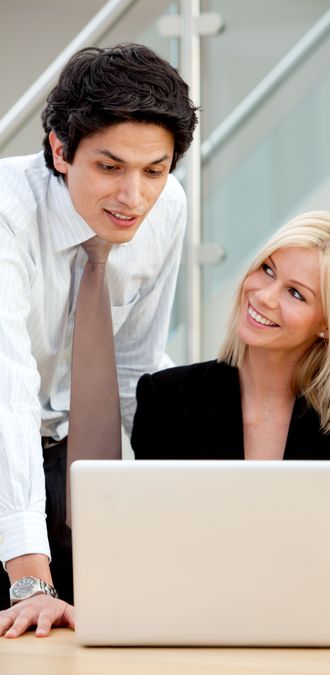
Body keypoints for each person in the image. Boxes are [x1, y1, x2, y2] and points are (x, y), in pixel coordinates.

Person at [132, 210, 330, 618]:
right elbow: (148, 554)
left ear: (329, 323)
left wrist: (300, 600)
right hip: (195, 626)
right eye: (267, 269)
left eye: (296, 293)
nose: (263, 295)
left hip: (308, 637)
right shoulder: (167, 398)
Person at [0, 43, 197, 637]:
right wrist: (33, 578)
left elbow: (135, 368)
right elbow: (8, 393)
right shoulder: (8, 212)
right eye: (110, 167)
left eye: (154, 171)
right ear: (61, 150)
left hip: (72, 458)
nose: (133, 197)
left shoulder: (167, 211)